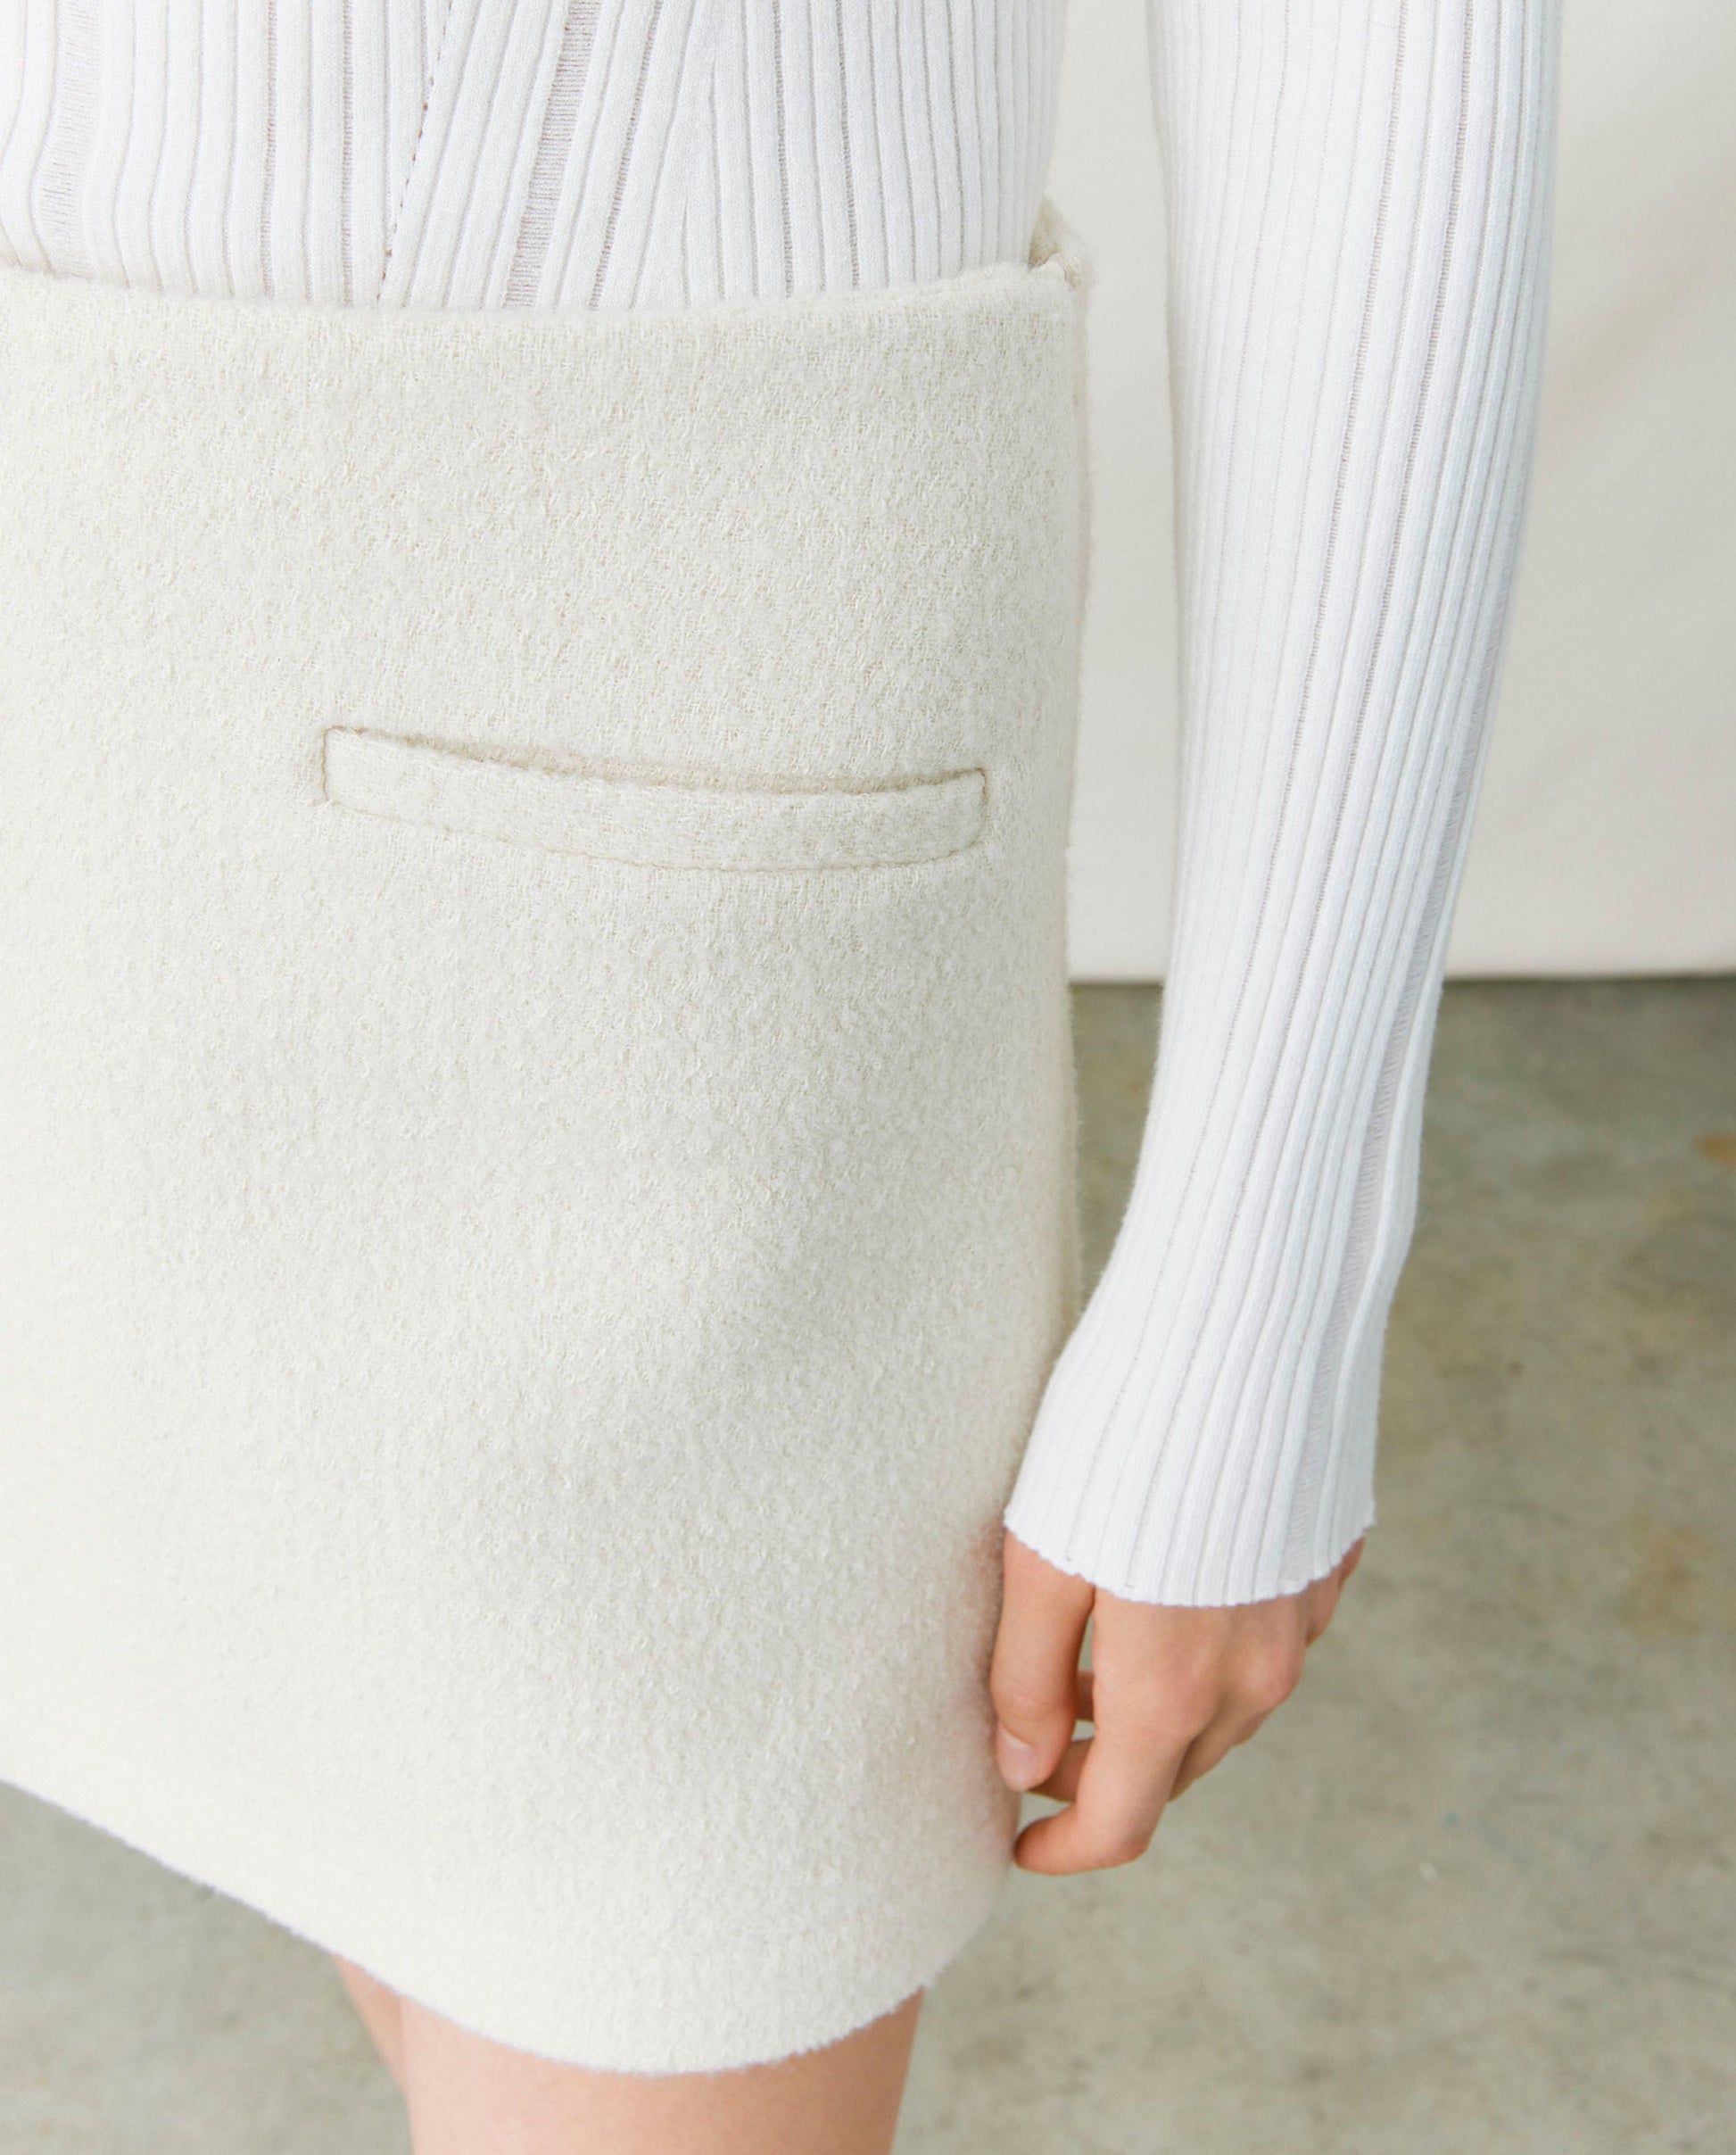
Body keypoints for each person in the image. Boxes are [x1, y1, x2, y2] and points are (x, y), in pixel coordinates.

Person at [0, 1, 1558, 2148]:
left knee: (644, 1940)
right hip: (69, 544)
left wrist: (1263, 1285)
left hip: (655, 665)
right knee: (343, 1811)